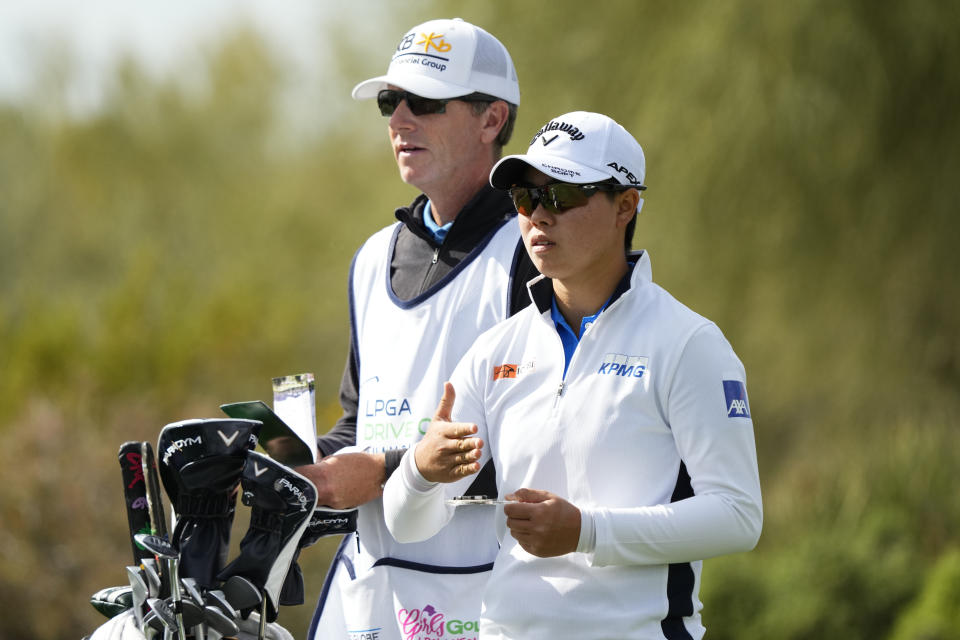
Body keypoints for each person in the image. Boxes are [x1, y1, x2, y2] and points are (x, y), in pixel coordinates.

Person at [383, 111, 763, 639]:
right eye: (524, 197)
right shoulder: (496, 350)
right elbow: (408, 524)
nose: (538, 215)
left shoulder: (689, 343)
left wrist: (587, 532)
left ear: (625, 206)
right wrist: (421, 471)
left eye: (560, 195)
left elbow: (738, 516)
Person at [298, 18, 538, 640]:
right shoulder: (373, 256)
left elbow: (548, 453)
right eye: (389, 102)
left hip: (489, 595)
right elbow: (362, 421)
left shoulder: (533, 254)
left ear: (492, 120)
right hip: (371, 592)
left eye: (424, 102)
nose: (400, 121)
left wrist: (379, 472)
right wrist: (303, 464)